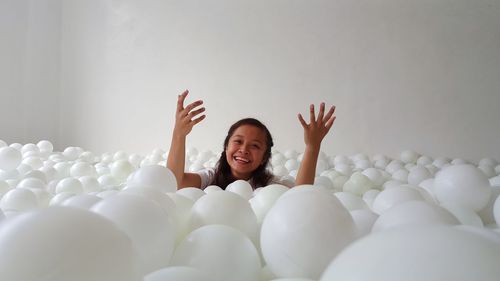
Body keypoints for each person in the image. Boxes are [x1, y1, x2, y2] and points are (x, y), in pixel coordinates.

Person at [167, 90, 336, 189]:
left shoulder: (270, 185)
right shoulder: (211, 177)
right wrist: (178, 134)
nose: (244, 149)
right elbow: (174, 183)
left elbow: (299, 197)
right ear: (226, 147)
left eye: (255, 145)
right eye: (238, 141)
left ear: (264, 157)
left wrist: (312, 147)